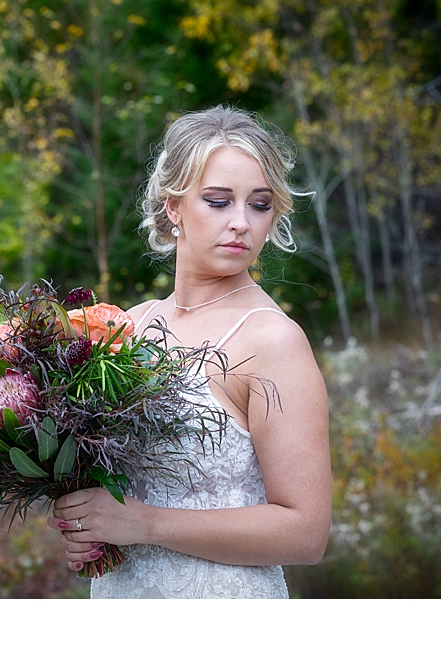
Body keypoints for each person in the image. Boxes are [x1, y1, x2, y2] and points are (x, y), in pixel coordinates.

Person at [46, 105, 331, 598]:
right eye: (218, 201)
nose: (241, 222)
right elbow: (111, 488)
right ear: (173, 207)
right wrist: (88, 524)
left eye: (259, 205)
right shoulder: (126, 326)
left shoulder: (271, 340)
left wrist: (144, 525)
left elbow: (306, 533)